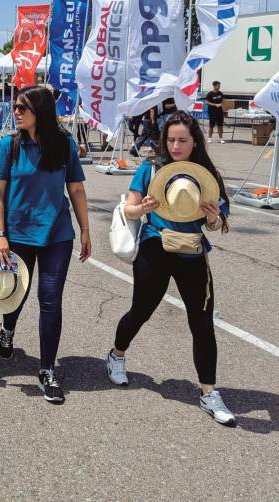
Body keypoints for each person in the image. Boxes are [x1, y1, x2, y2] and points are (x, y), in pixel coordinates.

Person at [105, 110, 235, 426]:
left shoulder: (207, 173)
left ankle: (208, 392)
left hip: (191, 250)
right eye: (171, 139)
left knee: (202, 321)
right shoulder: (152, 168)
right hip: (155, 245)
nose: (175, 146)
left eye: (182, 140)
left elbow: (218, 222)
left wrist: (212, 217)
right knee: (141, 310)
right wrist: (142, 208)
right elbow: (130, 209)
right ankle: (117, 355)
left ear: (194, 142)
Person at [0, 85, 91, 404]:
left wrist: (86, 230)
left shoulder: (64, 144)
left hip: (57, 234)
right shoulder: (9, 146)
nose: (15, 111)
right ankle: (8, 329)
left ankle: (47, 370)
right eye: (15, 107)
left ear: (40, 112)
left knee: (50, 299)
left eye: (22, 107)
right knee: (15, 294)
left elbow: (75, 189)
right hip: (17, 234)